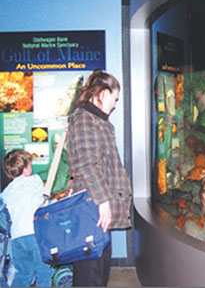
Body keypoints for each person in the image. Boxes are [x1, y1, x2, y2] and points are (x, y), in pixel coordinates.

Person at [66, 69, 132, 287]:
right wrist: (103, 202)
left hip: (97, 205)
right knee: (90, 273)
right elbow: (87, 164)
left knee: (99, 268)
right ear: (103, 94)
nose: (114, 105)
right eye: (114, 99)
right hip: (92, 206)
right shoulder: (85, 119)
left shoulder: (96, 119)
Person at [2, 149, 54, 287]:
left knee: (24, 274)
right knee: (44, 271)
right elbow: (41, 202)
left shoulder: (7, 191)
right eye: (30, 165)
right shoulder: (34, 181)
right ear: (25, 169)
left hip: (17, 238)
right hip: (34, 235)